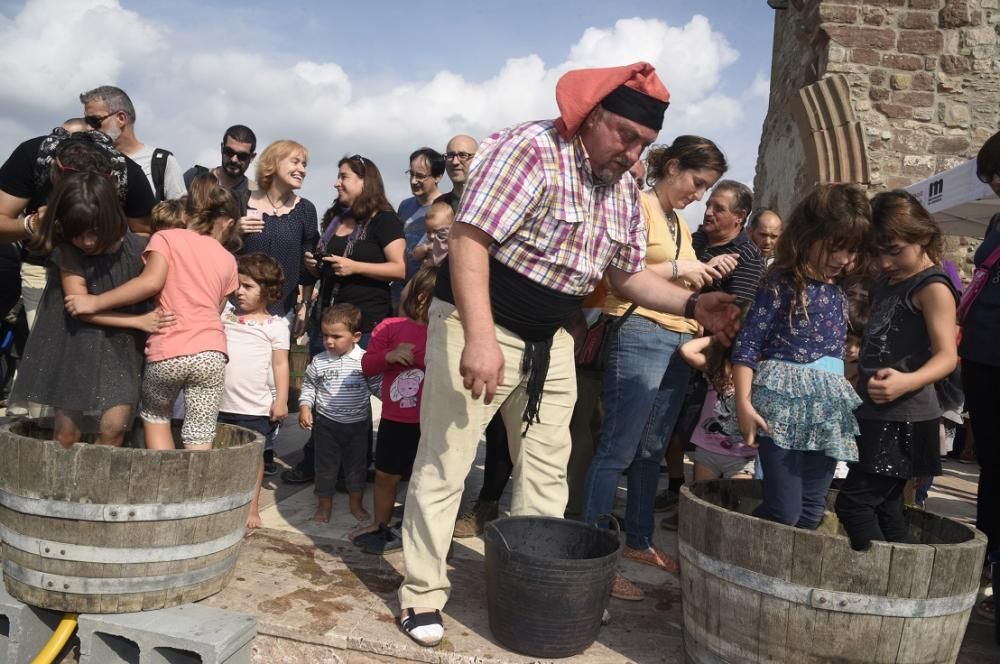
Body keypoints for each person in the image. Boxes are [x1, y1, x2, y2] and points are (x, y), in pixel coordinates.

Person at [396, 62, 740, 647]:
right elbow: (469, 241)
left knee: (548, 472)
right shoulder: (530, 149)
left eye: (645, 145)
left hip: (550, 338)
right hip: (477, 319)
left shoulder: (627, 189)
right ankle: (421, 593)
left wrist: (694, 305)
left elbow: (628, 277)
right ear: (590, 116)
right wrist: (479, 337)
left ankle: (539, 582)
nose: (634, 154)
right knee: (447, 462)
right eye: (625, 137)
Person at [580, 136, 731, 601]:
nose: (699, 195)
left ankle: (639, 541)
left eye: (707, 188)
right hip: (639, 330)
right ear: (672, 166)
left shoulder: (679, 222)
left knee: (651, 450)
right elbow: (614, 270)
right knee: (617, 450)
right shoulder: (636, 205)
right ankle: (592, 556)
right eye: (697, 182)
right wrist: (683, 269)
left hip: (677, 336)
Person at [64, 174, 240, 451]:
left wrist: (95, 302)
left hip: (169, 348)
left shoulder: (166, 238)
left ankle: (169, 488)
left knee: (157, 416)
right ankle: (195, 493)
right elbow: (215, 310)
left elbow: (149, 283)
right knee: (200, 432)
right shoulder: (229, 259)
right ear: (228, 222)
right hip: (211, 353)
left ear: (185, 212)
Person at [732, 183, 871, 530]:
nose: (844, 259)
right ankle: (734, 542)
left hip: (826, 409)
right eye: (836, 247)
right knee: (785, 512)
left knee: (811, 513)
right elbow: (748, 344)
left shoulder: (841, 293)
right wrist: (744, 403)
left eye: (852, 250)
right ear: (809, 233)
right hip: (781, 406)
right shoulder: (780, 281)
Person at [10, 172, 172, 447]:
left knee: (114, 429)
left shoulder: (141, 248)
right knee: (66, 434)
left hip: (123, 352)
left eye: (93, 233)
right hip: (75, 345)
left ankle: (98, 489)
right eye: (77, 234)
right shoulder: (67, 252)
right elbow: (80, 308)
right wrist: (137, 322)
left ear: (111, 219)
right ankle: (61, 487)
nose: (86, 241)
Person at [834, 191, 958, 551]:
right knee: (887, 509)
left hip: (904, 418)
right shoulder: (886, 284)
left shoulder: (933, 287)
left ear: (924, 237)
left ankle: (877, 584)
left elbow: (947, 356)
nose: (885, 262)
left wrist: (908, 381)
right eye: (877, 252)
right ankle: (901, 584)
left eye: (895, 250)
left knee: (852, 505)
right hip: (874, 414)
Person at [281, 155, 405, 485]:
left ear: (366, 182)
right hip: (329, 319)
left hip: (364, 324)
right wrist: (314, 265)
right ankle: (318, 461)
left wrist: (356, 268)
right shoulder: (337, 218)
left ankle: (352, 467)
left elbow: (399, 268)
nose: (337, 182)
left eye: (344, 176)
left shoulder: (385, 221)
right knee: (324, 391)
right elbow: (329, 266)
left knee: (351, 395)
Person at [353, 265, 437, 554]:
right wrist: (389, 356)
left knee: (425, 479)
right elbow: (366, 365)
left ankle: (422, 531)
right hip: (395, 419)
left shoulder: (447, 333)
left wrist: (419, 357)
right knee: (386, 474)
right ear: (424, 297)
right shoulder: (389, 327)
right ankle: (380, 524)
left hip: (432, 421)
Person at [218, 253, 290, 529]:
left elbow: (281, 363)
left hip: (254, 407)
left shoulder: (275, 326)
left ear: (268, 291)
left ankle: (251, 506)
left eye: (248, 287)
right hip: (219, 402)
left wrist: (281, 400)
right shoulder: (226, 315)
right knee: (219, 456)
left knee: (253, 459)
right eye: (238, 284)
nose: (239, 292)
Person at [960, 131, 1000, 623]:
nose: (993, 183)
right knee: (992, 464)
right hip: (983, 355)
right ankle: (988, 557)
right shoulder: (995, 218)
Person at [298, 303, 380, 523]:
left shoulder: (365, 360)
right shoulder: (319, 361)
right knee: (324, 468)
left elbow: (377, 386)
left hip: (358, 426)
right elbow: (309, 386)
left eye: (336, 336)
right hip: (326, 425)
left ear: (355, 336)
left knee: (357, 467)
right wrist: (305, 406)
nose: (329, 341)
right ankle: (324, 506)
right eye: (325, 336)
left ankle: (356, 505)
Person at [240, 140, 318, 331]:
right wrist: (233, 231)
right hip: (239, 311)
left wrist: (304, 306)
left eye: (304, 164)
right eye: (295, 162)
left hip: (282, 315)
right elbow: (220, 252)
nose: (302, 169)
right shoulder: (241, 201)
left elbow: (307, 268)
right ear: (273, 163)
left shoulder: (305, 210)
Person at [79, 85, 186, 202]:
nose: (89, 128)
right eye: (86, 122)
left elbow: (179, 215)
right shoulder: (87, 162)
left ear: (121, 118)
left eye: (94, 120)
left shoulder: (161, 163)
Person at [692, 180, 763, 304]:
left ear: (740, 216)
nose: (708, 212)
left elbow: (735, 311)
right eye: (708, 205)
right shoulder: (692, 239)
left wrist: (708, 276)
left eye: (718, 209)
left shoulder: (749, 255)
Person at [183, 125, 258, 214]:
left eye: (242, 156)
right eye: (229, 152)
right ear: (222, 148)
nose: (234, 160)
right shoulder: (194, 177)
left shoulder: (256, 193)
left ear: (252, 157)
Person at [398, 148, 445, 280]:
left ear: (438, 177)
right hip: (400, 281)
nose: (413, 181)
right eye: (411, 174)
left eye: (420, 176)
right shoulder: (405, 206)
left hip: (426, 283)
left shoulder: (445, 206)